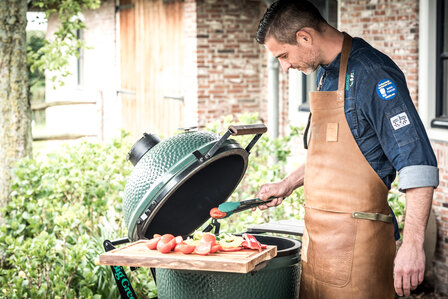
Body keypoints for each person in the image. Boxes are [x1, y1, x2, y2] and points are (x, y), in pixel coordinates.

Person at [254, 0, 439, 298]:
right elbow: (332, 158)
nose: (284, 66)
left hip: (361, 250)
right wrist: (286, 184)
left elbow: (417, 162)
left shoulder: (372, 74)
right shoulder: (328, 73)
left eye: (284, 55)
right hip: (319, 246)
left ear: (304, 37)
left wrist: (413, 245)